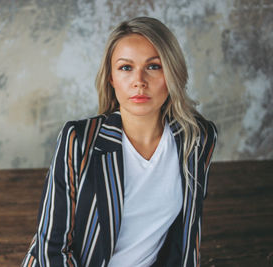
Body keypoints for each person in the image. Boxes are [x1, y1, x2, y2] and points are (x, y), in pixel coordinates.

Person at [21, 16, 217, 267]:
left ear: (172, 73)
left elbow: (186, 239)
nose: (139, 81)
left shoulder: (197, 139)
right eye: (126, 67)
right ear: (111, 78)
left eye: (153, 66)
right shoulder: (80, 139)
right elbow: (51, 248)